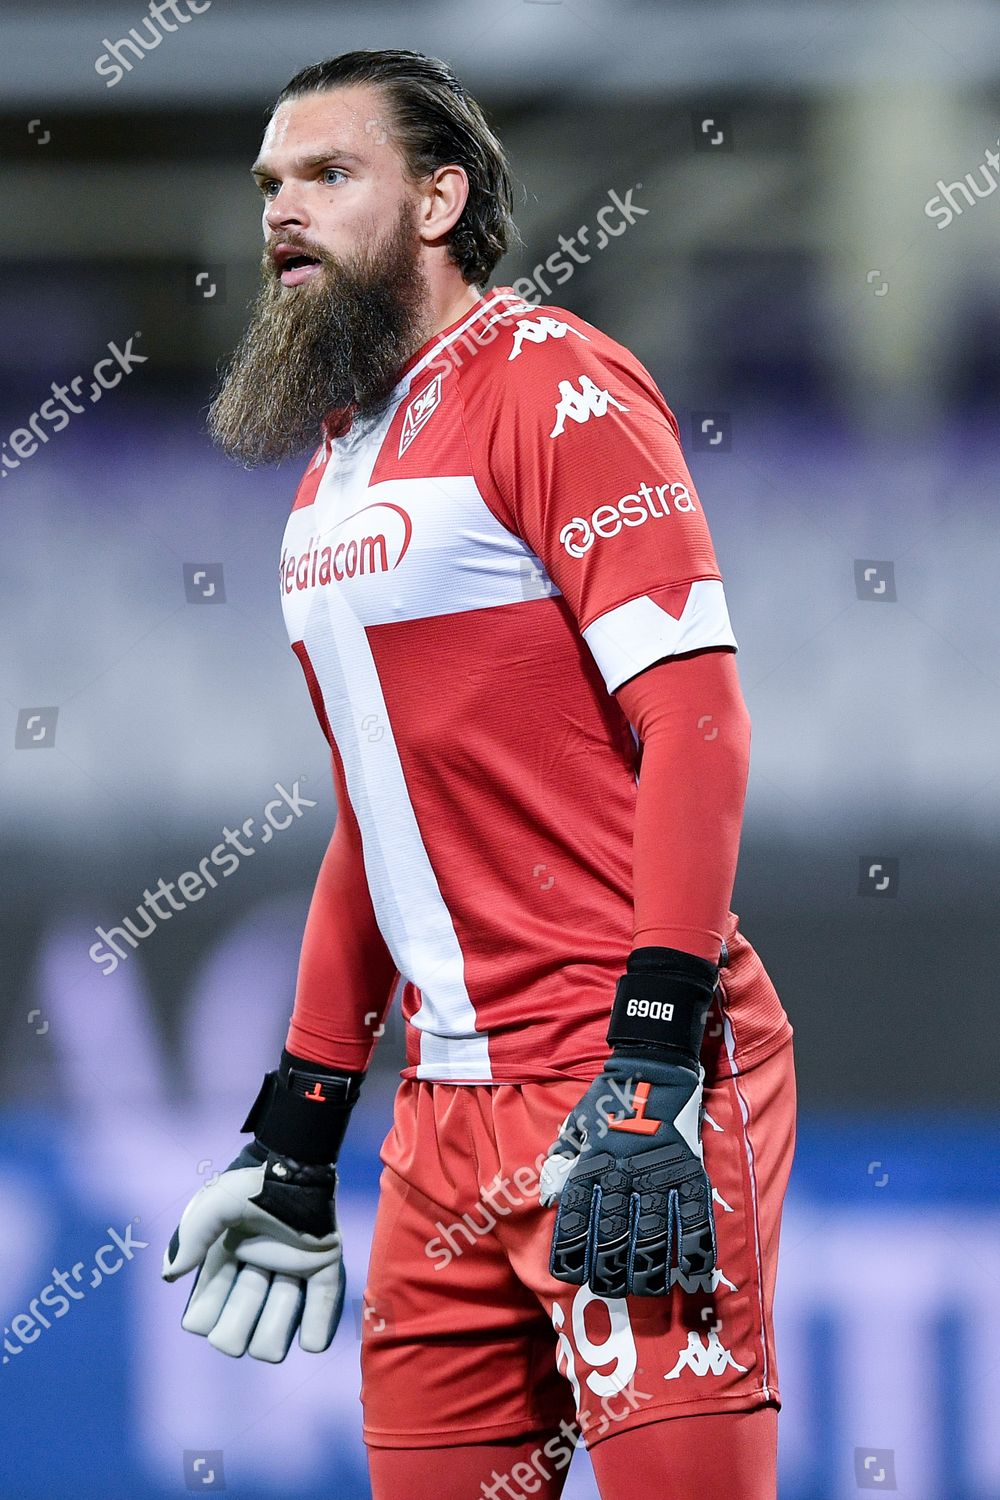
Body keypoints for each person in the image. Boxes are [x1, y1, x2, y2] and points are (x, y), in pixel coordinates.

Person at [162, 48, 796, 1500]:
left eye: (329, 175)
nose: (283, 211)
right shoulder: (333, 470)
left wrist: (651, 1058)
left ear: (441, 198)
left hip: (620, 1080)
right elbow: (374, 820)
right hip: (443, 1115)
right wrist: (303, 1123)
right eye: (270, 183)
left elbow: (700, 723)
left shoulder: (553, 386)